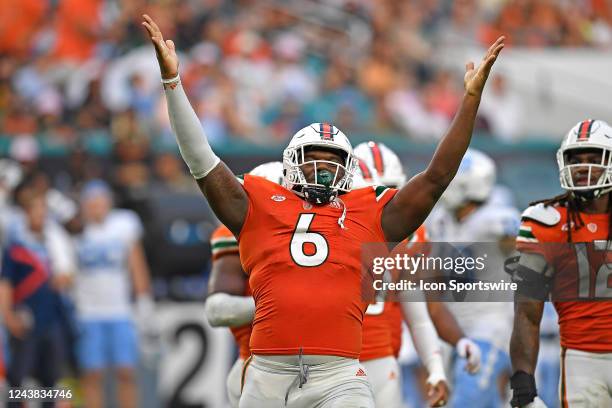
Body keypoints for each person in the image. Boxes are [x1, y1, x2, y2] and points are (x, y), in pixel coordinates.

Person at [142, 13, 504, 407]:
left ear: (349, 170)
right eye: (313, 159)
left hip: (340, 373)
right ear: (291, 163)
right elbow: (201, 160)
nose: (323, 168)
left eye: (332, 161)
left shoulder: (370, 209)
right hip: (267, 371)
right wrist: (173, 84)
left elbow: (437, 177)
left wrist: (469, 101)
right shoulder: (261, 201)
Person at [354, 142, 482, 407]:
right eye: (371, 190)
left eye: (388, 190)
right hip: (330, 359)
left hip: (381, 354)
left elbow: (422, 308)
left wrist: (438, 364)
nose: (380, 199)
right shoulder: (329, 230)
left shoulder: (412, 236)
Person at [509, 119, 612, 408]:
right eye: (576, 159)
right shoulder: (546, 222)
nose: (583, 167)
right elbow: (527, 311)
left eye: (594, 159)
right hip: (583, 359)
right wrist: (522, 383)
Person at [425, 149, 520, 407]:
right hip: (452, 328)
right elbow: (434, 277)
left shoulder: (497, 219)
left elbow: (531, 257)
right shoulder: (441, 220)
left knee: (465, 402)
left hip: (490, 327)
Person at [204, 161, 284, 408]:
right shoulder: (236, 235)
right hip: (261, 365)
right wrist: (281, 306)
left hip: (324, 365)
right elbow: (216, 310)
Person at [72, 180, 154, 408]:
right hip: (88, 312)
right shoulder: (76, 230)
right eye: (92, 202)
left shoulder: (123, 224)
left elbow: (136, 264)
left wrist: (144, 300)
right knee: (92, 374)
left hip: (120, 310)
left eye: (101, 201)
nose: (97, 206)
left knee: (126, 372)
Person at [0, 188, 73, 408]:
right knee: (17, 383)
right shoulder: (16, 249)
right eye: (36, 210)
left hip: (51, 321)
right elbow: (5, 284)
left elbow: (69, 277)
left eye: (44, 211)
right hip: (26, 322)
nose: (41, 215)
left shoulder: (55, 244)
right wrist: (8, 317)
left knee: (51, 383)